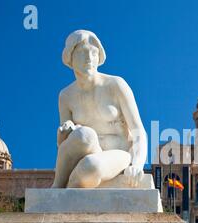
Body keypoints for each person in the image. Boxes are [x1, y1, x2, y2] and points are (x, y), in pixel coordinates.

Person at [52, 30, 147, 188]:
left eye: (94, 52)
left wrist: (137, 164)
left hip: (117, 154)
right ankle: (57, 186)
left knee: (90, 166)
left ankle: (68, 190)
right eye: (82, 52)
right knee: (85, 135)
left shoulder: (116, 85)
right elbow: (63, 146)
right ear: (70, 57)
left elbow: (138, 131)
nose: (89, 58)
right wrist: (63, 132)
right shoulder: (66, 96)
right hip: (86, 149)